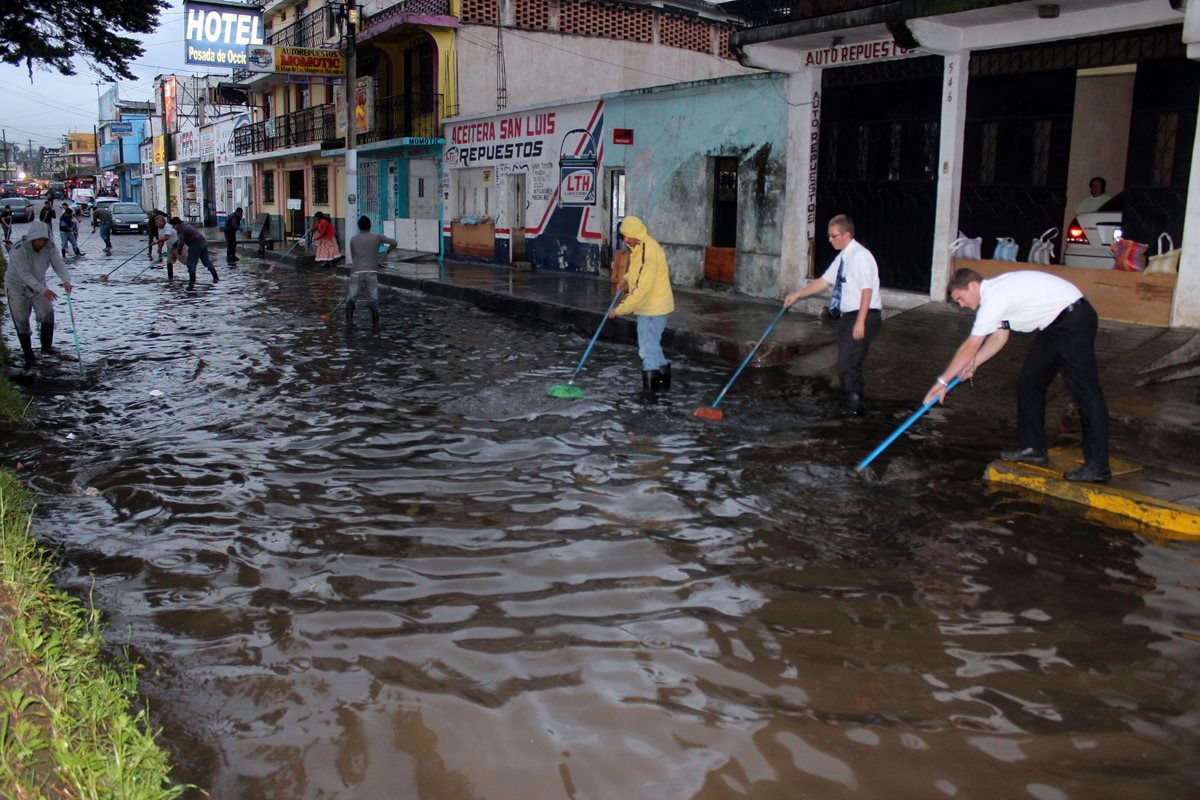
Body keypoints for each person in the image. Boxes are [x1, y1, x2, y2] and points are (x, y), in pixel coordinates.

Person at [924, 268, 1111, 483]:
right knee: (1029, 381)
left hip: (1074, 319)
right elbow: (999, 338)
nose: (961, 305)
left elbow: (970, 346)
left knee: (1086, 392)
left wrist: (942, 381)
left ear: (973, 286)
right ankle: (1033, 447)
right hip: (1054, 325)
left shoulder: (994, 298)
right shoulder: (995, 297)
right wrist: (974, 364)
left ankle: (1098, 466)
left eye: (960, 298)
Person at [784, 213, 882, 414]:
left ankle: (855, 411)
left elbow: (867, 290)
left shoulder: (861, 256)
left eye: (833, 235)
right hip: (849, 316)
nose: (830, 240)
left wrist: (860, 322)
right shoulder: (844, 257)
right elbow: (824, 281)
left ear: (846, 234)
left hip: (864, 315)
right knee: (846, 363)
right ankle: (851, 403)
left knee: (848, 364)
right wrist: (798, 294)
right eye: (829, 235)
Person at [607, 215, 675, 392]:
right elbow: (636, 272)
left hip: (653, 308)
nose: (624, 239)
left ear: (633, 234)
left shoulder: (649, 252)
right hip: (652, 306)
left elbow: (643, 289)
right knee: (652, 344)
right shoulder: (640, 247)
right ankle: (663, 385)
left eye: (626, 235)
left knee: (646, 348)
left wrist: (620, 310)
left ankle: (650, 395)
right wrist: (626, 280)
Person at [3, 221, 72, 370]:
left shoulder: (50, 248)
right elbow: (24, 274)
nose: (41, 243)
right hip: (17, 287)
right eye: (38, 240)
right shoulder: (18, 250)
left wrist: (66, 280)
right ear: (32, 238)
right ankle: (28, 356)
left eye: (44, 240)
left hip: (38, 286)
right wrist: (44, 290)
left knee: (48, 312)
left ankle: (46, 348)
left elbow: (58, 263)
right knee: (21, 320)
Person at [347, 214, 397, 329]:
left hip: (356, 272)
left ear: (359, 227)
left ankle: (349, 321)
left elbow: (354, 257)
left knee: (351, 297)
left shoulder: (353, 239)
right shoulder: (377, 237)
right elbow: (394, 242)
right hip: (371, 271)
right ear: (370, 226)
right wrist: (387, 252)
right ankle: (375, 323)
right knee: (373, 298)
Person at [169, 216, 219, 289]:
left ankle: (192, 282)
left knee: (191, 264)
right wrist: (174, 245)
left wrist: (178, 252)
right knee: (206, 261)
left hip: (195, 245)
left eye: (173, 226)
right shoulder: (186, 224)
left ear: (176, 224)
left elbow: (181, 242)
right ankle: (216, 278)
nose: (173, 228)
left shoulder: (180, 228)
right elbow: (181, 240)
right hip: (203, 242)